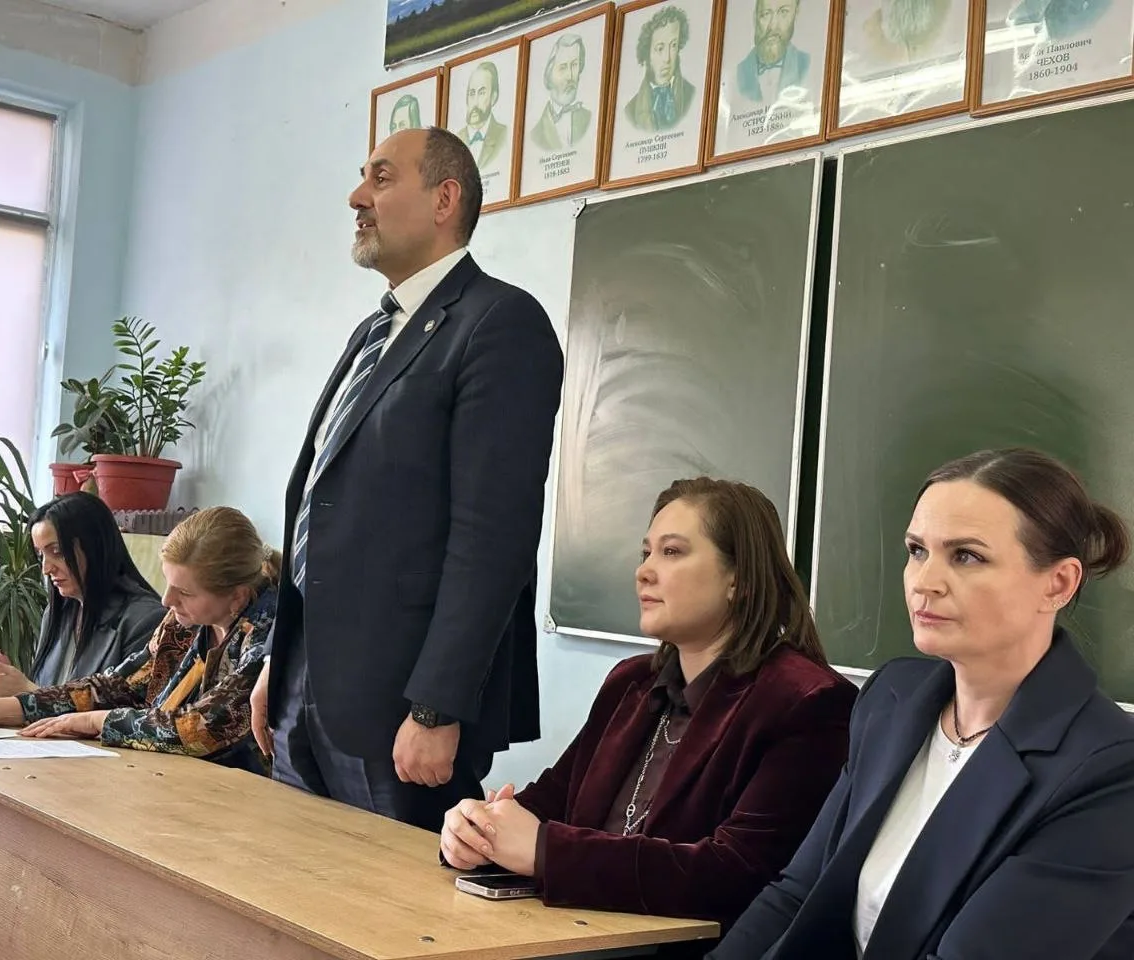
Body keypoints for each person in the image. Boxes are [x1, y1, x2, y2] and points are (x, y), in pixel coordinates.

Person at [249, 127, 563, 832]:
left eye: (382, 178)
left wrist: (436, 707)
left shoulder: (499, 323)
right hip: (305, 693)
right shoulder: (373, 331)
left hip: (399, 710)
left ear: (445, 199)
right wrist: (280, 660)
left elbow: (493, 538)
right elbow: (324, 510)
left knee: (387, 902)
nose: (356, 197)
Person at [709, 448, 1134, 959]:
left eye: (966, 556)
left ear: (1058, 583)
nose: (924, 582)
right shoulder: (892, 699)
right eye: (917, 550)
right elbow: (796, 894)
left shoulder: (1111, 769)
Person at [440, 477, 856, 924]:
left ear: (739, 579)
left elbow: (736, 875)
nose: (644, 572)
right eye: (646, 553)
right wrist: (478, 830)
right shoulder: (631, 682)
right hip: (576, 934)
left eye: (671, 552)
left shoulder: (807, 701)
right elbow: (552, 799)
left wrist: (546, 851)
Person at [0, 506, 279, 774]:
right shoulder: (185, 619)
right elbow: (119, 685)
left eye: (185, 592)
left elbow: (200, 729)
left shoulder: (269, 636)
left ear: (237, 597)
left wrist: (95, 720)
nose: (166, 600)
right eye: (168, 584)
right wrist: (5, 709)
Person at [0, 492, 166, 698]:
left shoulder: (146, 620)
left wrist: (26, 693)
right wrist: (7, 684)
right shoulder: (59, 612)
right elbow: (46, 693)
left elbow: (127, 712)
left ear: (95, 547)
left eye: (58, 552)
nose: (46, 569)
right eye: (40, 555)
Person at [625, 5, 696, 131]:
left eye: (673, 45)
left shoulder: (692, 95)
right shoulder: (631, 111)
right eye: (660, 48)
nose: (667, 58)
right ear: (647, 53)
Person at [735, 0, 809, 104]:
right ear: (755, 17)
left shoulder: (808, 66)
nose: (773, 26)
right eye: (766, 14)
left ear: (795, 14)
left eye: (783, 12)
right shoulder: (736, 75)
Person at [529, 33, 592, 152]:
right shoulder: (536, 135)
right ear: (549, 74)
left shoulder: (590, 119)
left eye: (574, 65)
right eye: (563, 67)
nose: (570, 76)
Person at [457, 63, 508, 170]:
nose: (475, 102)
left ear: (493, 97)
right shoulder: (456, 140)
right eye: (472, 93)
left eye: (481, 93)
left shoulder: (504, 135)